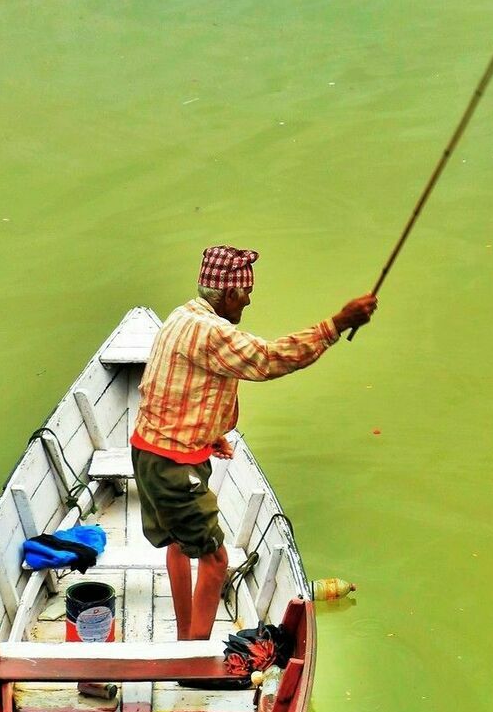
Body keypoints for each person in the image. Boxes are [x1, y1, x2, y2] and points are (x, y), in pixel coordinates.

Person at [131, 245, 377, 640]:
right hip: (173, 467)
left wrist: (210, 437)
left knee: (177, 544)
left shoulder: (181, 316)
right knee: (215, 559)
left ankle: (183, 635)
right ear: (229, 294)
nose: (249, 298)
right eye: (245, 292)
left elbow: (164, 389)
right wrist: (335, 325)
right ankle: (193, 657)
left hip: (147, 451)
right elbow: (269, 359)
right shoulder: (213, 332)